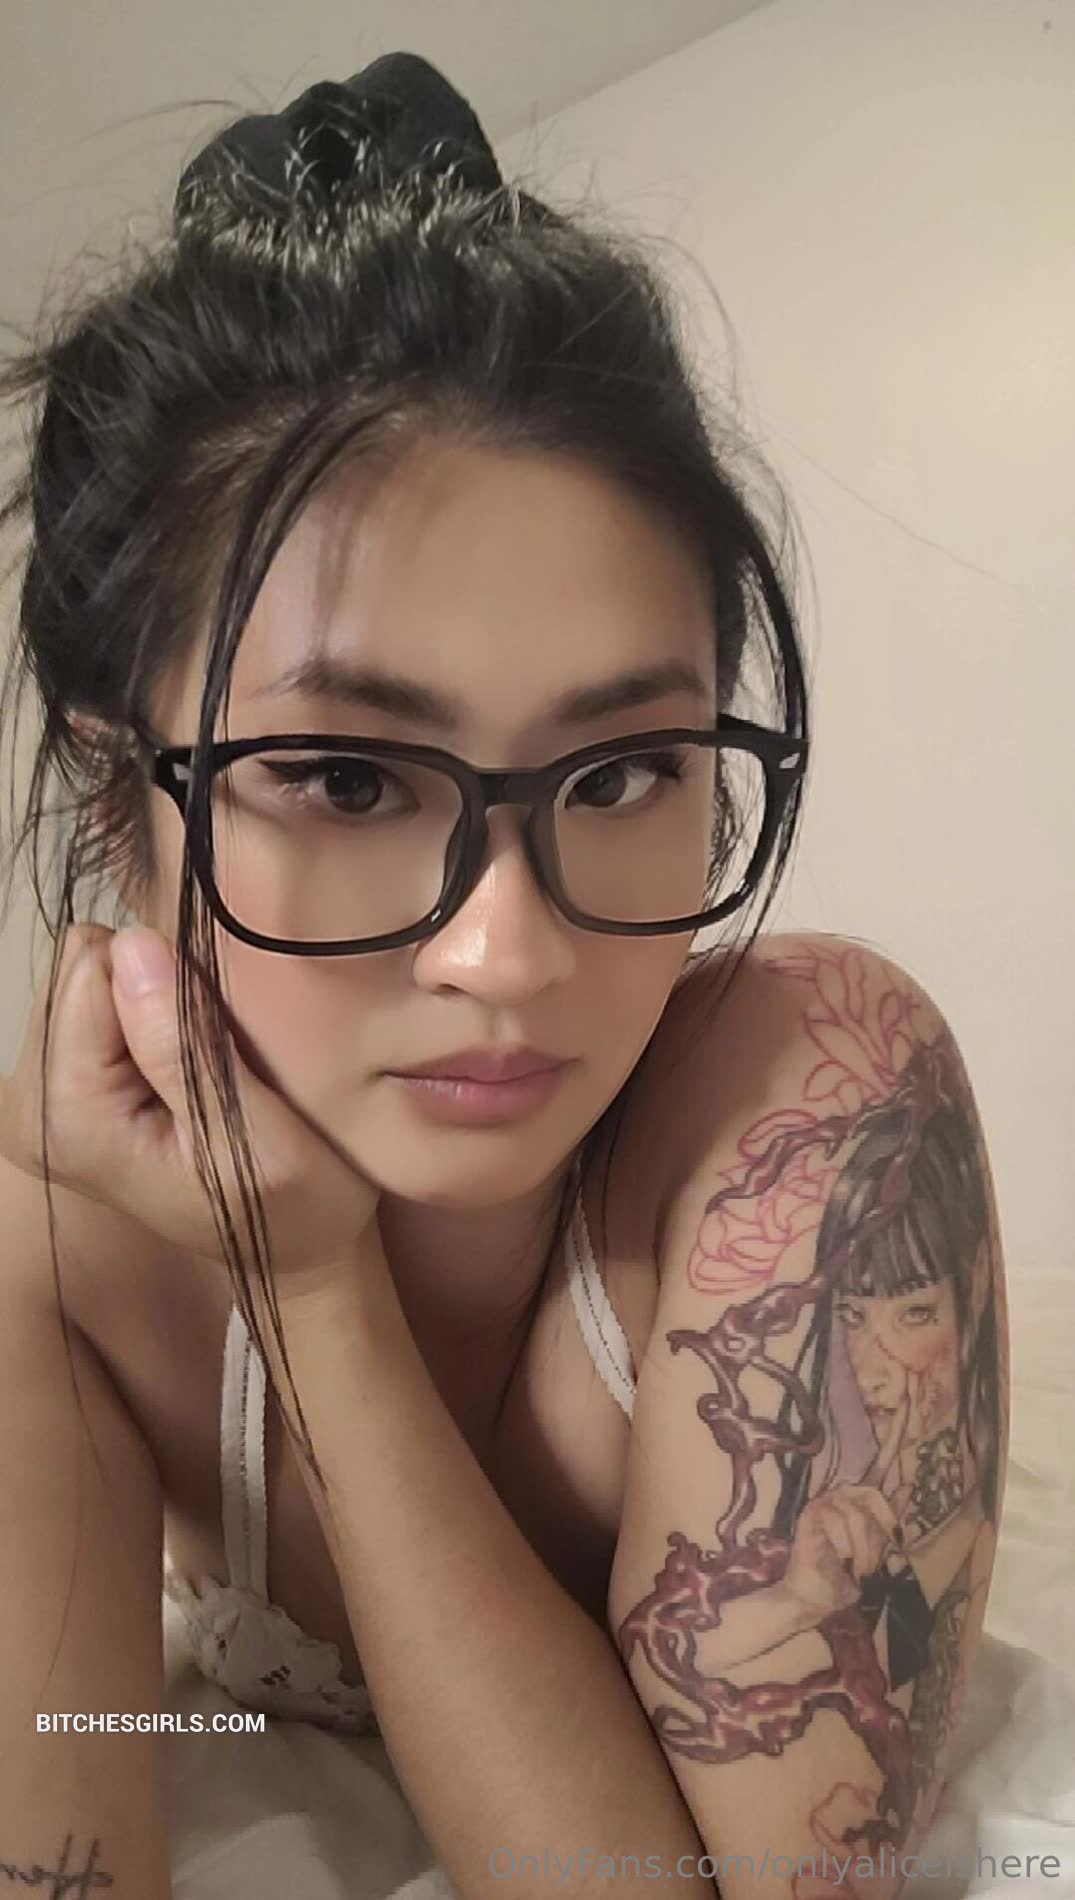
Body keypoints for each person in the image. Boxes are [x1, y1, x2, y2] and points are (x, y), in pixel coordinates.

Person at [0, 50, 1006, 1900]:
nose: (507, 952)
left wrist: (318, 1295)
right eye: (343, 778)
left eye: (620, 775)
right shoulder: (47, 1241)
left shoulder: (812, 1111)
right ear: (111, 798)